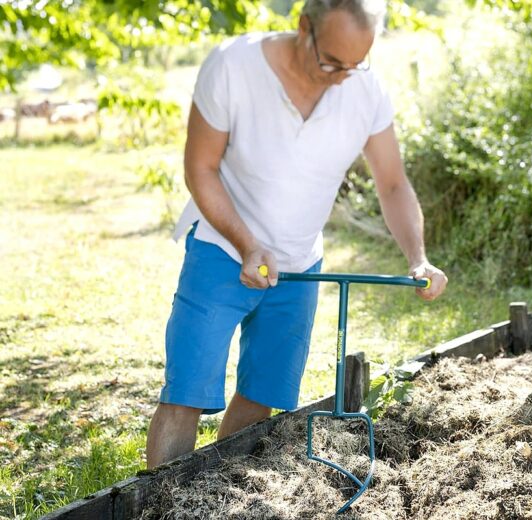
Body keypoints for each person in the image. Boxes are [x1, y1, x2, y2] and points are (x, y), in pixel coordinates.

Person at [145, 0, 447, 468]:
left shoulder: (364, 88)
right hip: (220, 250)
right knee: (186, 392)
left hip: (300, 265)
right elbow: (199, 168)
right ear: (304, 27)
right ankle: (159, 502)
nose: (341, 76)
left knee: (259, 394)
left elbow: (392, 183)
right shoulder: (234, 65)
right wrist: (247, 244)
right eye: (331, 61)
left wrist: (418, 257)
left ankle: (214, 497)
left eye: (354, 64)